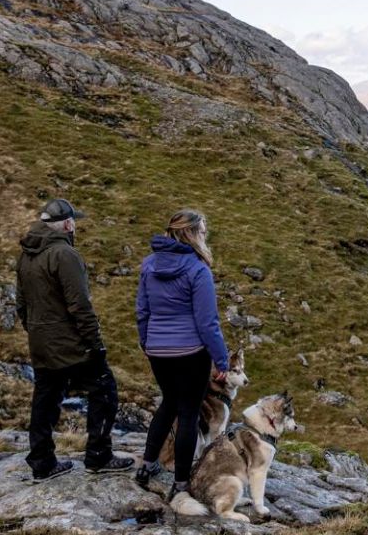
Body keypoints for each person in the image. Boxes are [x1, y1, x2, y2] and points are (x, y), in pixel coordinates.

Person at [15, 198, 134, 480]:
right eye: (74, 223)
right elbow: (80, 305)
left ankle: (42, 461)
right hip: (70, 344)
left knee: (45, 398)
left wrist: (34, 331)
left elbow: (21, 302)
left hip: (41, 341)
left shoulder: (27, 253)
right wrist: (95, 343)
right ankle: (98, 455)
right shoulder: (64, 254)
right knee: (104, 390)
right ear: (68, 224)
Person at [133, 209, 231, 516]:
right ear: (190, 234)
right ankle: (180, 482)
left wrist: (147, 343)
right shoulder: (197, 269)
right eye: (202, 231)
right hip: (190, 352)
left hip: (159, 352)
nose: (205, 235)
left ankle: (147, 466)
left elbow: (142, 310)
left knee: (168, 405)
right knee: (188, 413)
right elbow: (207, 322)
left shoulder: (149, 264)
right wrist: (221, 358)